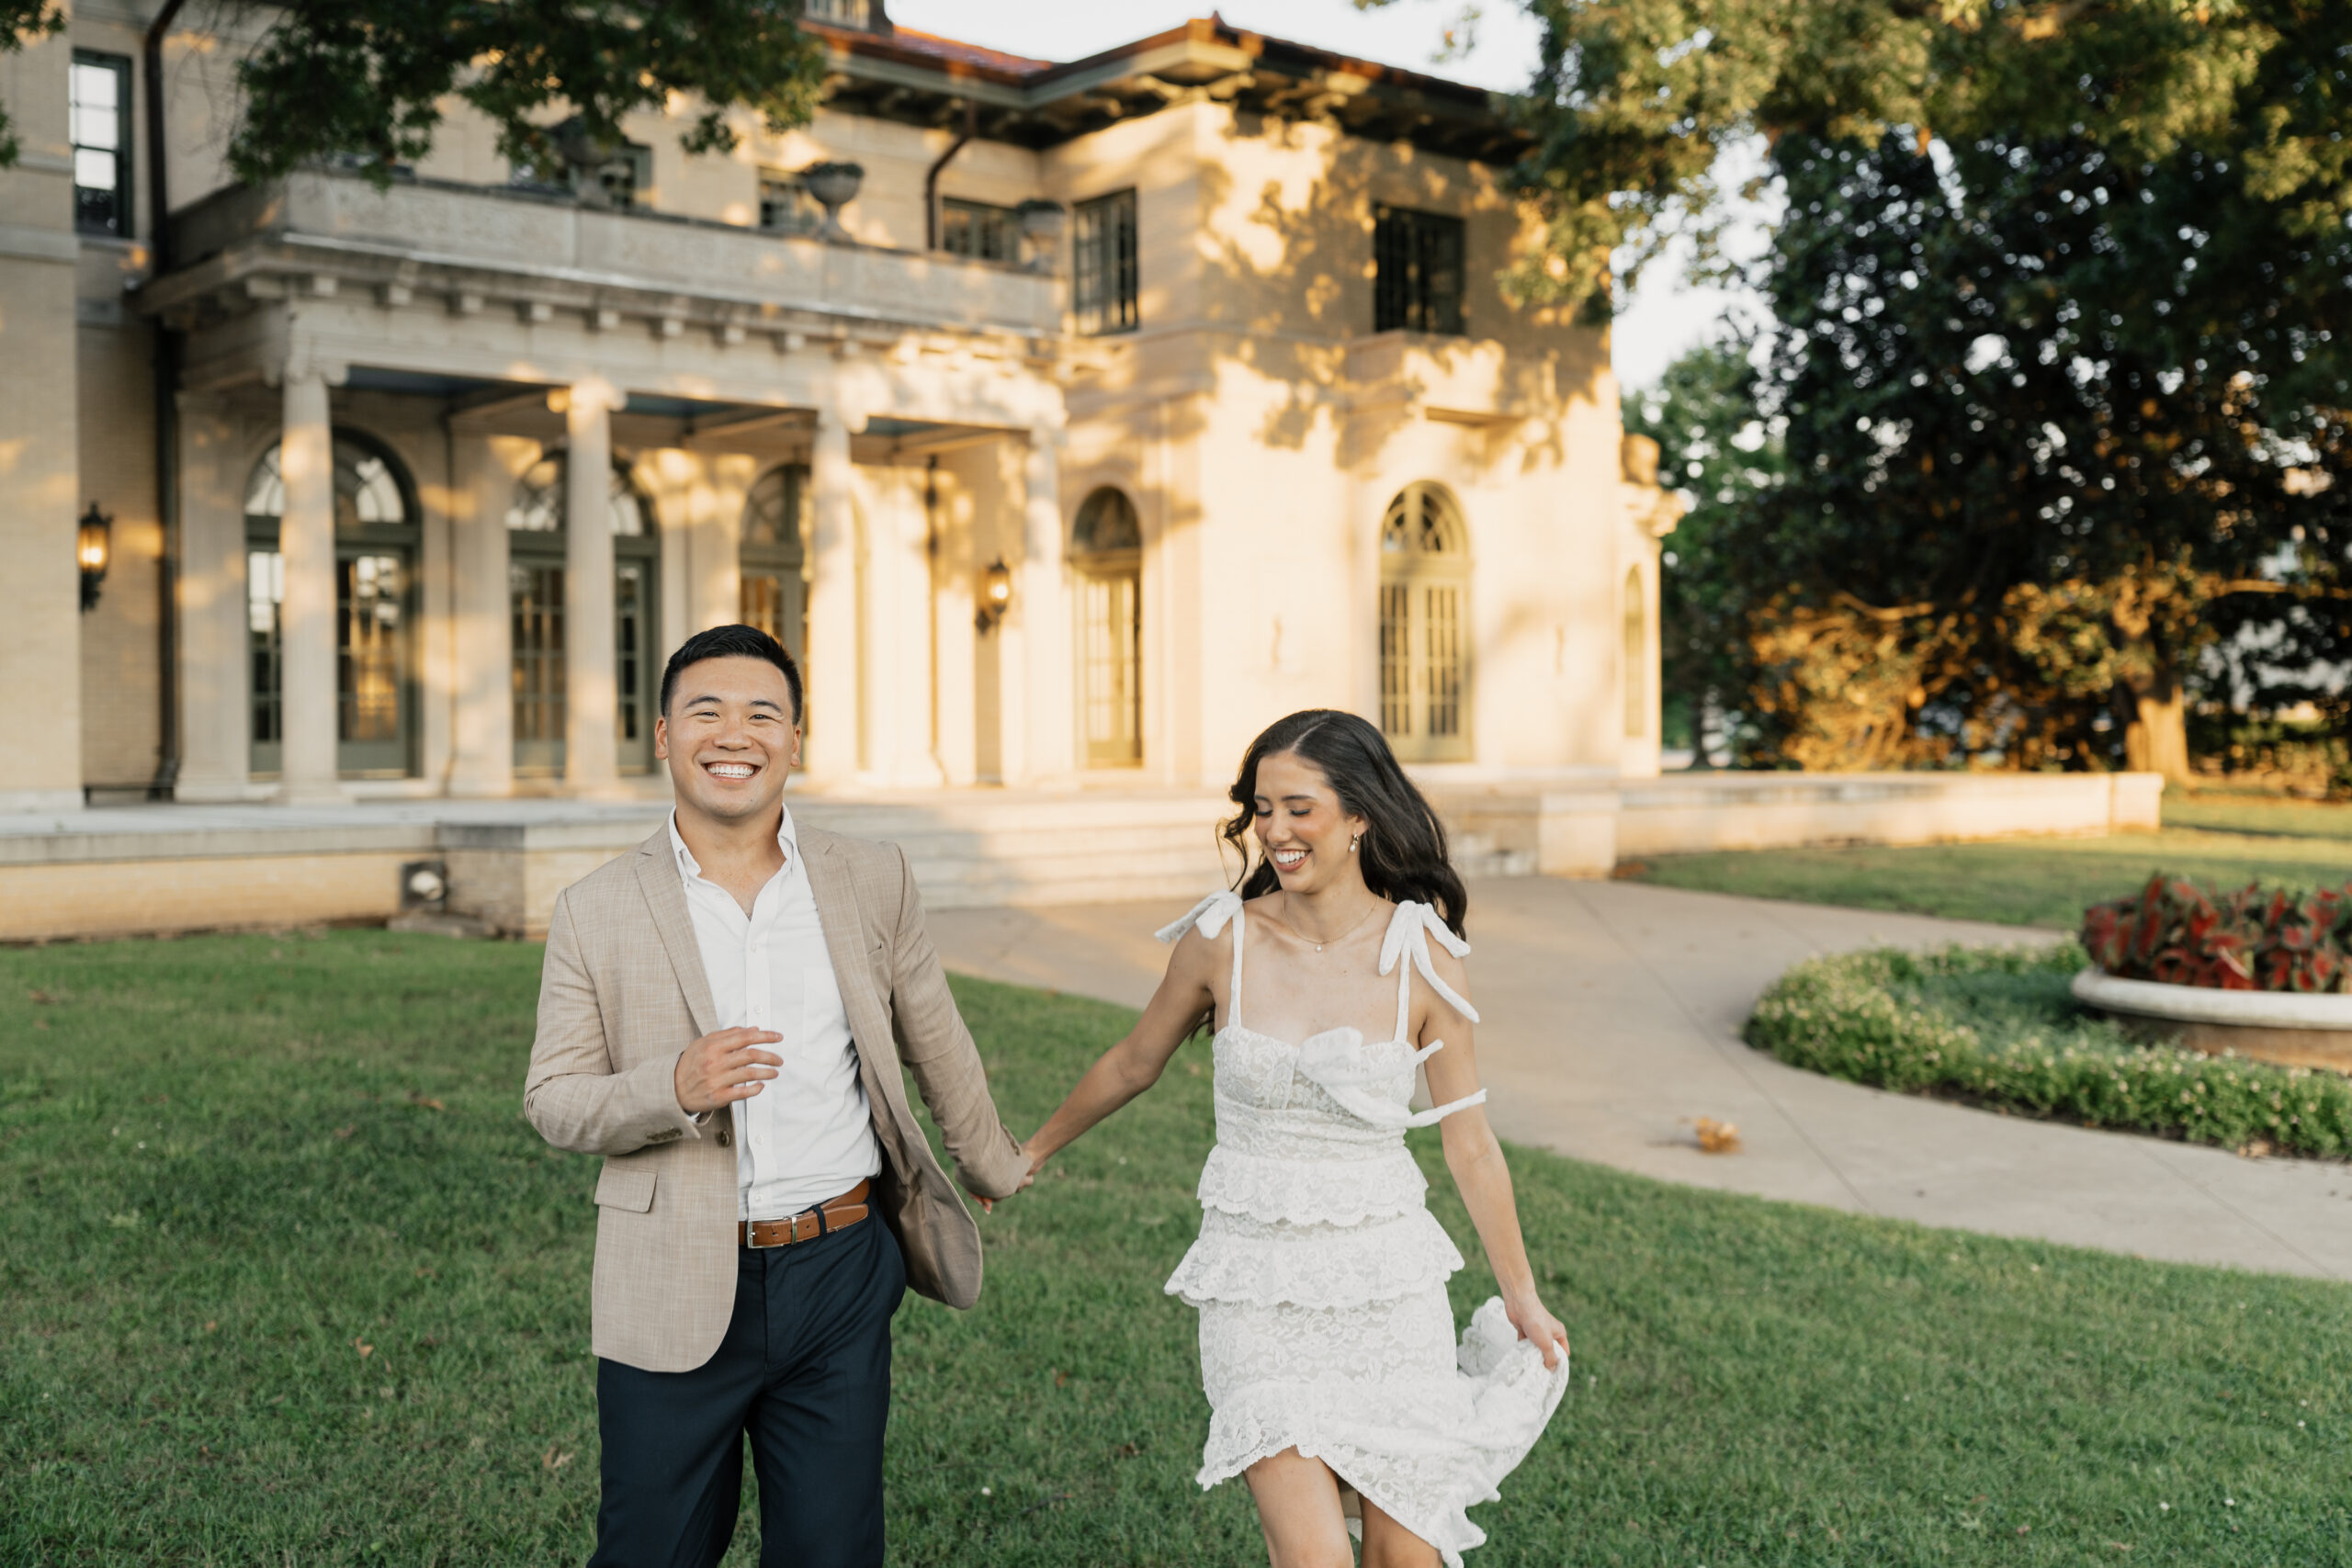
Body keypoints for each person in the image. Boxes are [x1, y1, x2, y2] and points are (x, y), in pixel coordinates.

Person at [523, 623, 1030, 1568]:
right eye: (705, 712)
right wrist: (669, 1085)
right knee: (653, 1550)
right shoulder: (594, 907)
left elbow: (933, 1034)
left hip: (838, 1266)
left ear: (796, 739)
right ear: (664, 736)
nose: (735, 734)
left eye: (764, 713)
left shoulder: (870, 877)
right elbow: (553, 1098)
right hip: (670, 1272)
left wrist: (990, 1157)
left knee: (832, 1552)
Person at [1021, 708, 1571, 1568]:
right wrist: (1031, 1150)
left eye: (1298, 807)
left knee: (1406, 1555)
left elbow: (1470, 1142)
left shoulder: (1423, 954)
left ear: (1359, 816)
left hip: (1386, 1286)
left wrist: (1523, 1295)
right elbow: (1133, 1062)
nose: (1273, 829)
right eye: (1260, 807)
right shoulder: (1221, 939)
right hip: (1258, 1286)